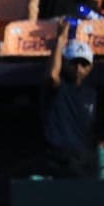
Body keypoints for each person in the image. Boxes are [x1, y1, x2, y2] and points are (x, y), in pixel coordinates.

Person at [41, 26, 100, 178]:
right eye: (74, 62)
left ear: (90, 67)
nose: (78, 68)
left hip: (85, 162)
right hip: (58, 160)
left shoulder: (92, 94)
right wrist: (60, 41)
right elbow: (52, 76)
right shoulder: (58, 88)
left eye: (83, 63)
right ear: (65, 62)